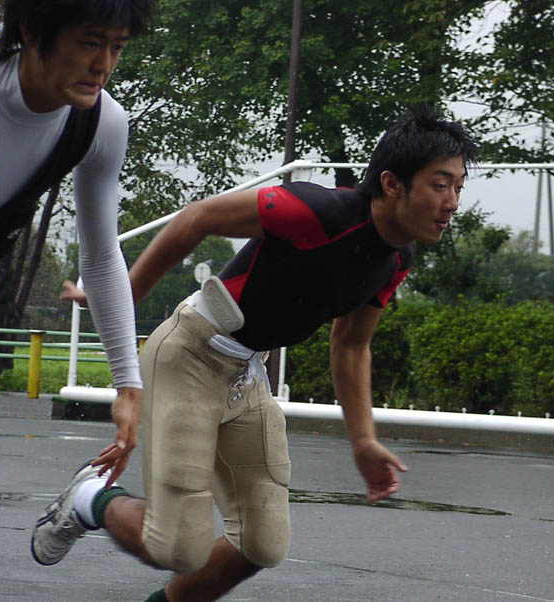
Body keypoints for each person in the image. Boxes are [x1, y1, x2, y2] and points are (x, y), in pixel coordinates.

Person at [31, 105, 479, 601]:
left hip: (247, 374)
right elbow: (199, 217)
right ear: (393, 183)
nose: (452, 202)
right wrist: (125, 294)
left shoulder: (397, 258)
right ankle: (90, 498)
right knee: (177, 546)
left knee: (262, 544)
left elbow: (351, 344)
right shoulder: (317, 210)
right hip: (191, 353)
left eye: (459, 187)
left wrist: (363, 440)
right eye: (441, 185)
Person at [0, 0, 155, 485]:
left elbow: (102, 255)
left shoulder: (101, 123)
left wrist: (128, 383)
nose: (103, 65)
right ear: (31, 31)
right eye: (90, 43)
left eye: (116, 48)